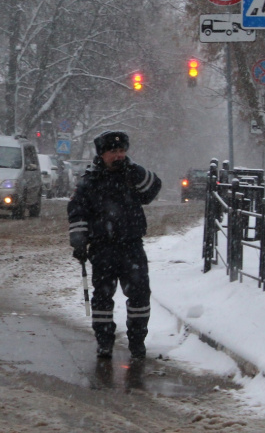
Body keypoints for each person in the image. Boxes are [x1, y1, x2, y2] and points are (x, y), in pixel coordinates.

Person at [68, 130, 161, 359]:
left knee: (139, 295)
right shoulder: (90, 181)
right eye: (113, 151)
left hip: (131, 245)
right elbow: (77, 212)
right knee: (102, 297)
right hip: (102, 247)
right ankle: (104, 341)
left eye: (122, 151)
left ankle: (137, 341)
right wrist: (79, 241)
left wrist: (134, 170)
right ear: (102, 154)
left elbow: (153, 188)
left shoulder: (131, 175)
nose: (118, 155)